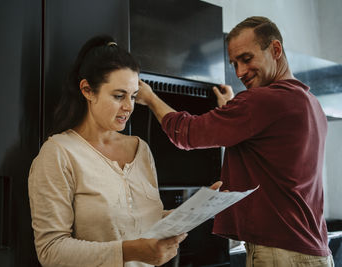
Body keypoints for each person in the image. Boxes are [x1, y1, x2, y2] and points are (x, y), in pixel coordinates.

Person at [136, 16, 334, 266]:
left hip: (280, 254)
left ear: (275, 49)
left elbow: (187, 133)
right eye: (234, 63)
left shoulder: (263, 101)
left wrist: (150, 97)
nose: (239, 72)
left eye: (247, 59)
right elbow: (264, 147)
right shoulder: (310, 103)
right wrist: (231, 109)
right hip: (313, 250)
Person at [28, 34, 222, 267]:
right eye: (118, 96)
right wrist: (130, 251)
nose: (129, 107)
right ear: (88, 90)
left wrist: (194, 210)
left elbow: (137, 221)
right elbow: (51, 251)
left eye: (132, 96)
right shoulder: (59, 154)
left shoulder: (141, 149)